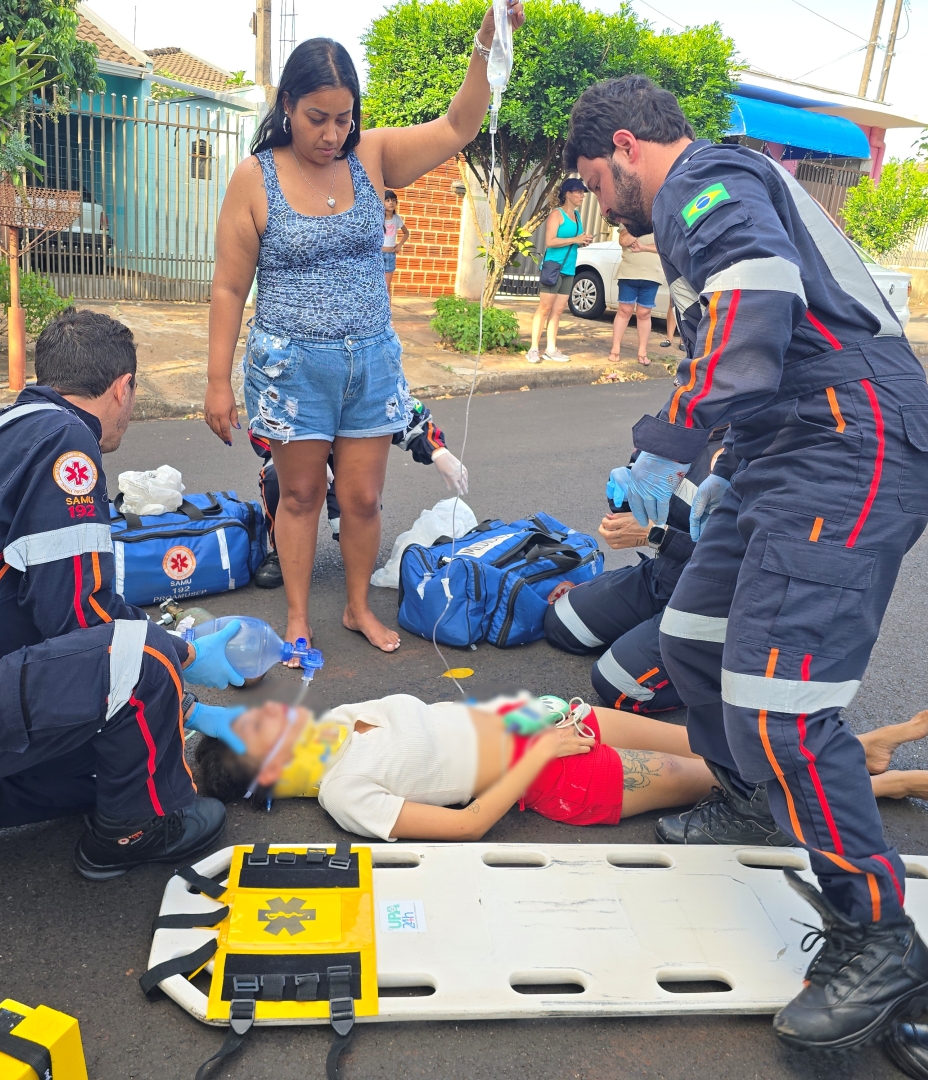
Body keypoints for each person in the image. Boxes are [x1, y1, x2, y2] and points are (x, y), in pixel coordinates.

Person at [565, 73, 928, 1051]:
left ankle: (880, 936)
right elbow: (759, 345)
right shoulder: (730, 183)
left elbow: (755, 307)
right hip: (788, 453)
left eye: (597, 179)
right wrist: (719, 466)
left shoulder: (701, 180)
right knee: (689, 643)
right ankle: (756, 805)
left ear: (627, 147)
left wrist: (668, 446)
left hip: (850, 445)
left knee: (783, 704)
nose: (605, 204)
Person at [0, 310, 248, 895]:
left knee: (120, 761)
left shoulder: (10, 429)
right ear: (122, 387)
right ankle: (128, 836)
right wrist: (179, 657)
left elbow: (58, 603)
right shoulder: (68, 443)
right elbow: (81, 620)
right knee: (141, 670)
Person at [205, 9, 524, 657]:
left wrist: (484, 44)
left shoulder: (372, 156)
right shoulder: (254, 176)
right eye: (318, 118)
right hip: (291, 367)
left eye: (344, 117)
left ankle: (355, 607)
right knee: (298, 495)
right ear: (288, 104)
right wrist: (216, 380)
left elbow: (459, 125)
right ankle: (298, 617)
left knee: (363, 497)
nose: (332, 134)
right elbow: (229, 288)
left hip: (369, 362)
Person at [190, 694, 928, 842]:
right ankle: (885, 781)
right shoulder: (347, 795)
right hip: (558, 778)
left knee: (724, 747)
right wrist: (543, 753)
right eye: (263, 732)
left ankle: (861, 748)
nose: (278, 714)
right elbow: (472, 823)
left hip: (545, 724)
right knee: (733, 783)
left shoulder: (337, 718)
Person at [545, 428, 731, 717]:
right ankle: (653, 633)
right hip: (669, 574)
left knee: (618, 686)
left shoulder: (770, 441)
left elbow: (751, 556)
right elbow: (645, 487)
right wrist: (624, 495)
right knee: (562, 623)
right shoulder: (683, 418)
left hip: (724, 600)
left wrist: (658, 536)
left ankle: (733, 673)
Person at [250, 398, 468, 589]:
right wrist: (305, 459)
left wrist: (437, 450)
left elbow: (401, 406)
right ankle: (282, 552)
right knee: (278, 480)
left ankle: (357, 568)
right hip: (297, 447)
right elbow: (263, 422)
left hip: (348, 456)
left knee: (355, 511)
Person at [527, 178, 592, 364]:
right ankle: (533, 349)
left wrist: (583, 241)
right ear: (568, 194)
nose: (582, 196)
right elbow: (550, 241)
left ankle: (551, 349)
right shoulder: (557, 214)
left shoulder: (577, 217)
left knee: (558, 310)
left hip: (569, 269)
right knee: (545, 308)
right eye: (579, 192)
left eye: (583, 193)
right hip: (553, 267)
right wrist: (575, 239)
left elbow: (575, 241)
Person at [609, 227, 663, 365]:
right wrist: (639, 223)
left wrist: (643, 247)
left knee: (644, 313)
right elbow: (624, 240)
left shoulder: (659, 216)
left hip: (652, 274)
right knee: (624, 311)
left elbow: (663, 246)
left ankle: (642, 351)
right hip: (629, 272)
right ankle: (615, 350)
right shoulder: (630, 216)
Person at [382, 189, 410, 302]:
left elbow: (406, 233)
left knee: (387, 286)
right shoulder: (379, 219)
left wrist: (399, 245)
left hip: (390, 256)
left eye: (393, 200)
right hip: (378, 255)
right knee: (377, 285)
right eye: (387, 200)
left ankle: (388, 315)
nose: (391, 203)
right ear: (382, 202)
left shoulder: (397, 219)